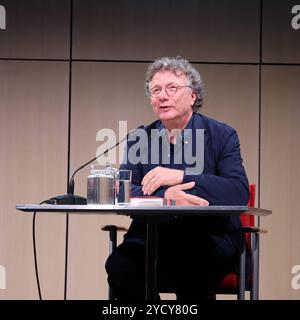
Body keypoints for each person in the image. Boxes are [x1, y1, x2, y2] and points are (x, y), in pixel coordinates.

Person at [105, 56, 249, 300]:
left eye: (172, 88)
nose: (162, 96)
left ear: (193, 96)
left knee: (193, 269)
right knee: (120, 267)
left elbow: (237, 191)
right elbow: (123, 191)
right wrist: (165, 198)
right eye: (156, 90)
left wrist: (181, 176)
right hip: (153, 236)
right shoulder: (141, 138)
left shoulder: (222, 135)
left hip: (207, 237)